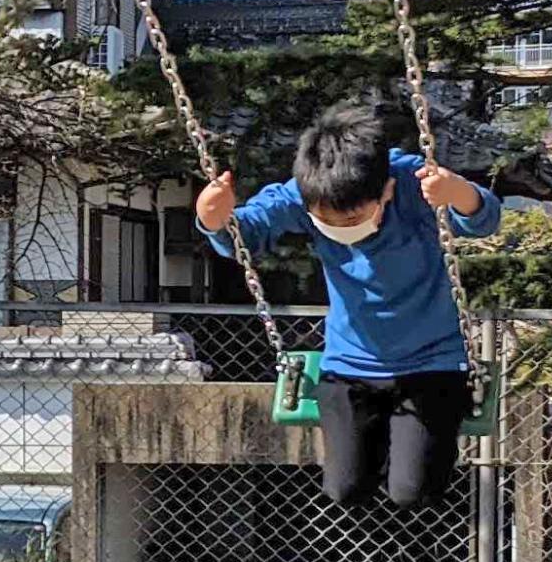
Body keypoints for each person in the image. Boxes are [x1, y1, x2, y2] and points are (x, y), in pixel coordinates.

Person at [196, 101, 503, 510]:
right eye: (329, 221)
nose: (342, 229)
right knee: (346, 489)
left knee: (413, 491)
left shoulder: (412, 181)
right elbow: (245, 234)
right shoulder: (307, 191)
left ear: (386, 189)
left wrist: (459, 194)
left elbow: (482, 220)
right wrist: (214, 219)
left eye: (353, 217)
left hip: (432, 364)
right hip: (350, 363)